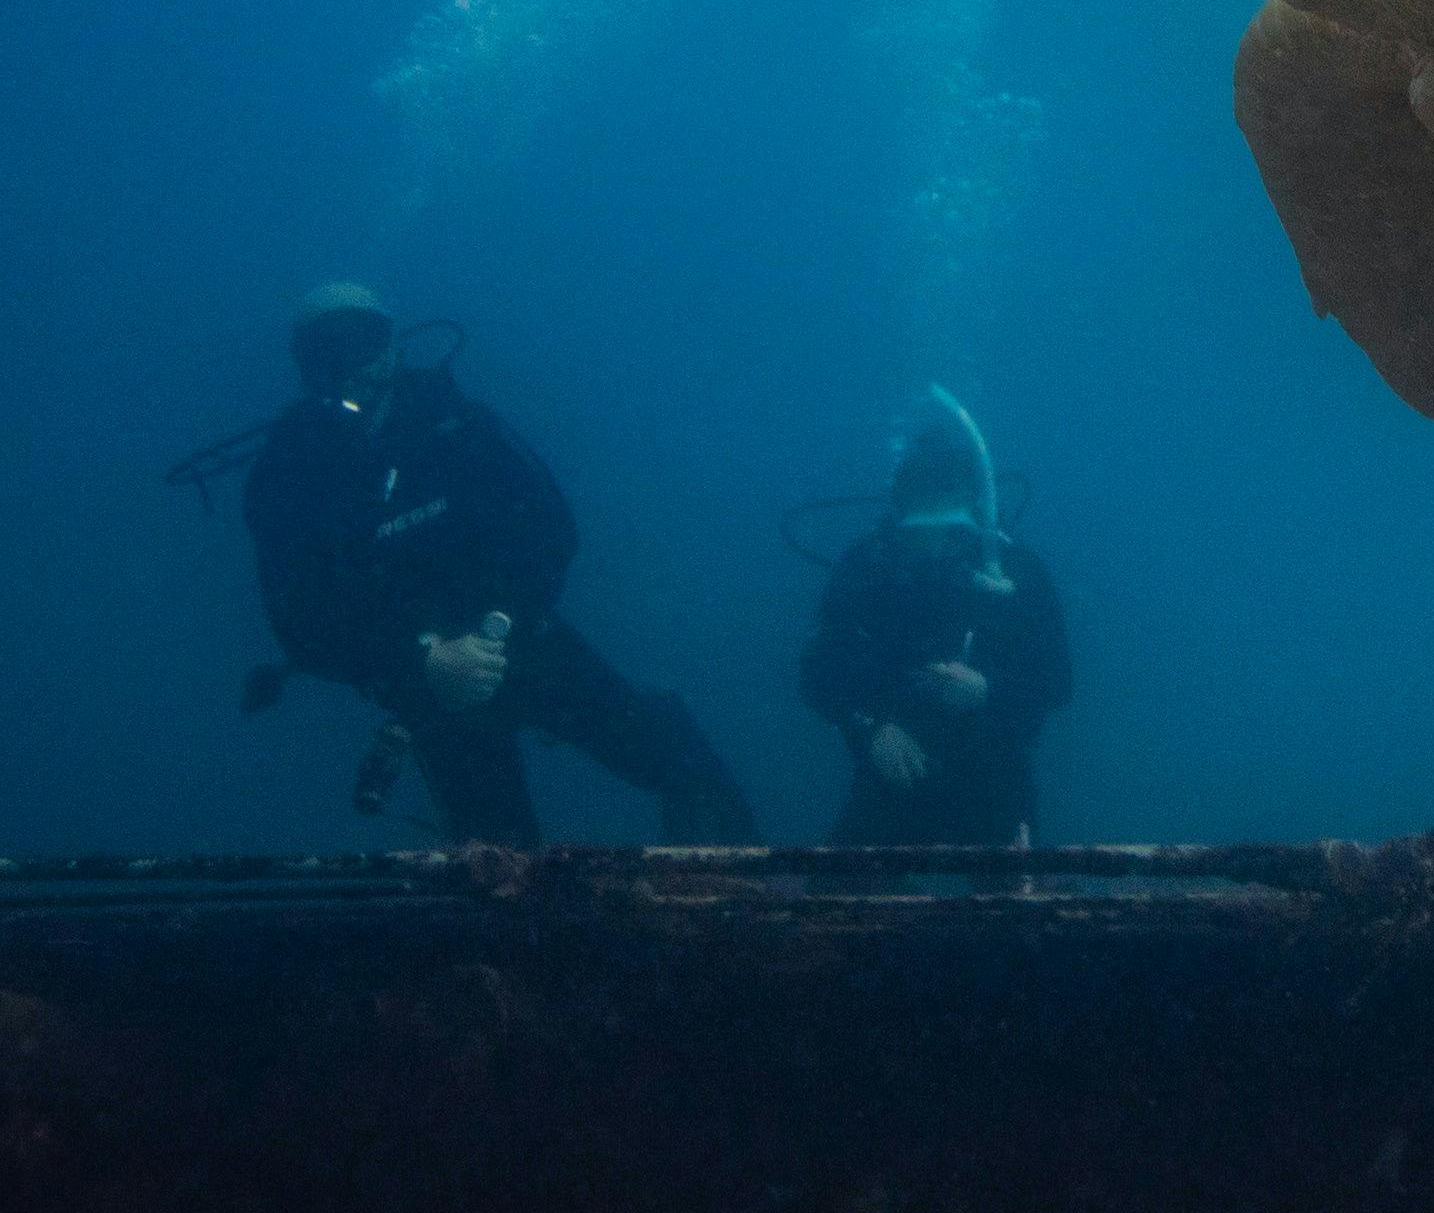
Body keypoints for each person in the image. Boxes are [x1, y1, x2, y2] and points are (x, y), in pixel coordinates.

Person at [237, 283, 756, 845]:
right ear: (303, 365)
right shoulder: (288, 471)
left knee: (682, 764)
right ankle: (529, 927)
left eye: (360, 341)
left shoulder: (459, 423)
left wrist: (498, 625)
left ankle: (731, 904)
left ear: (391, 345)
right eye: (324, 349)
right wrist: (423, 658)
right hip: (427, 682)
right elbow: (298, 616)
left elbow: (550, 529)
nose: (346, 364)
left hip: (522, 637)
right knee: (497, 855)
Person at [802, 389, 1071, 848]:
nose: (936, 541)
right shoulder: (868, 564)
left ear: (974, 497)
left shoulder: (1012, 567)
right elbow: (821, 672)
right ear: (901, 498)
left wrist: (988, 692)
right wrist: (874, 724)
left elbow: (1057, 681)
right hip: (893, 770)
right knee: (842, 893)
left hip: (994, 775)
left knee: (1017, 898)